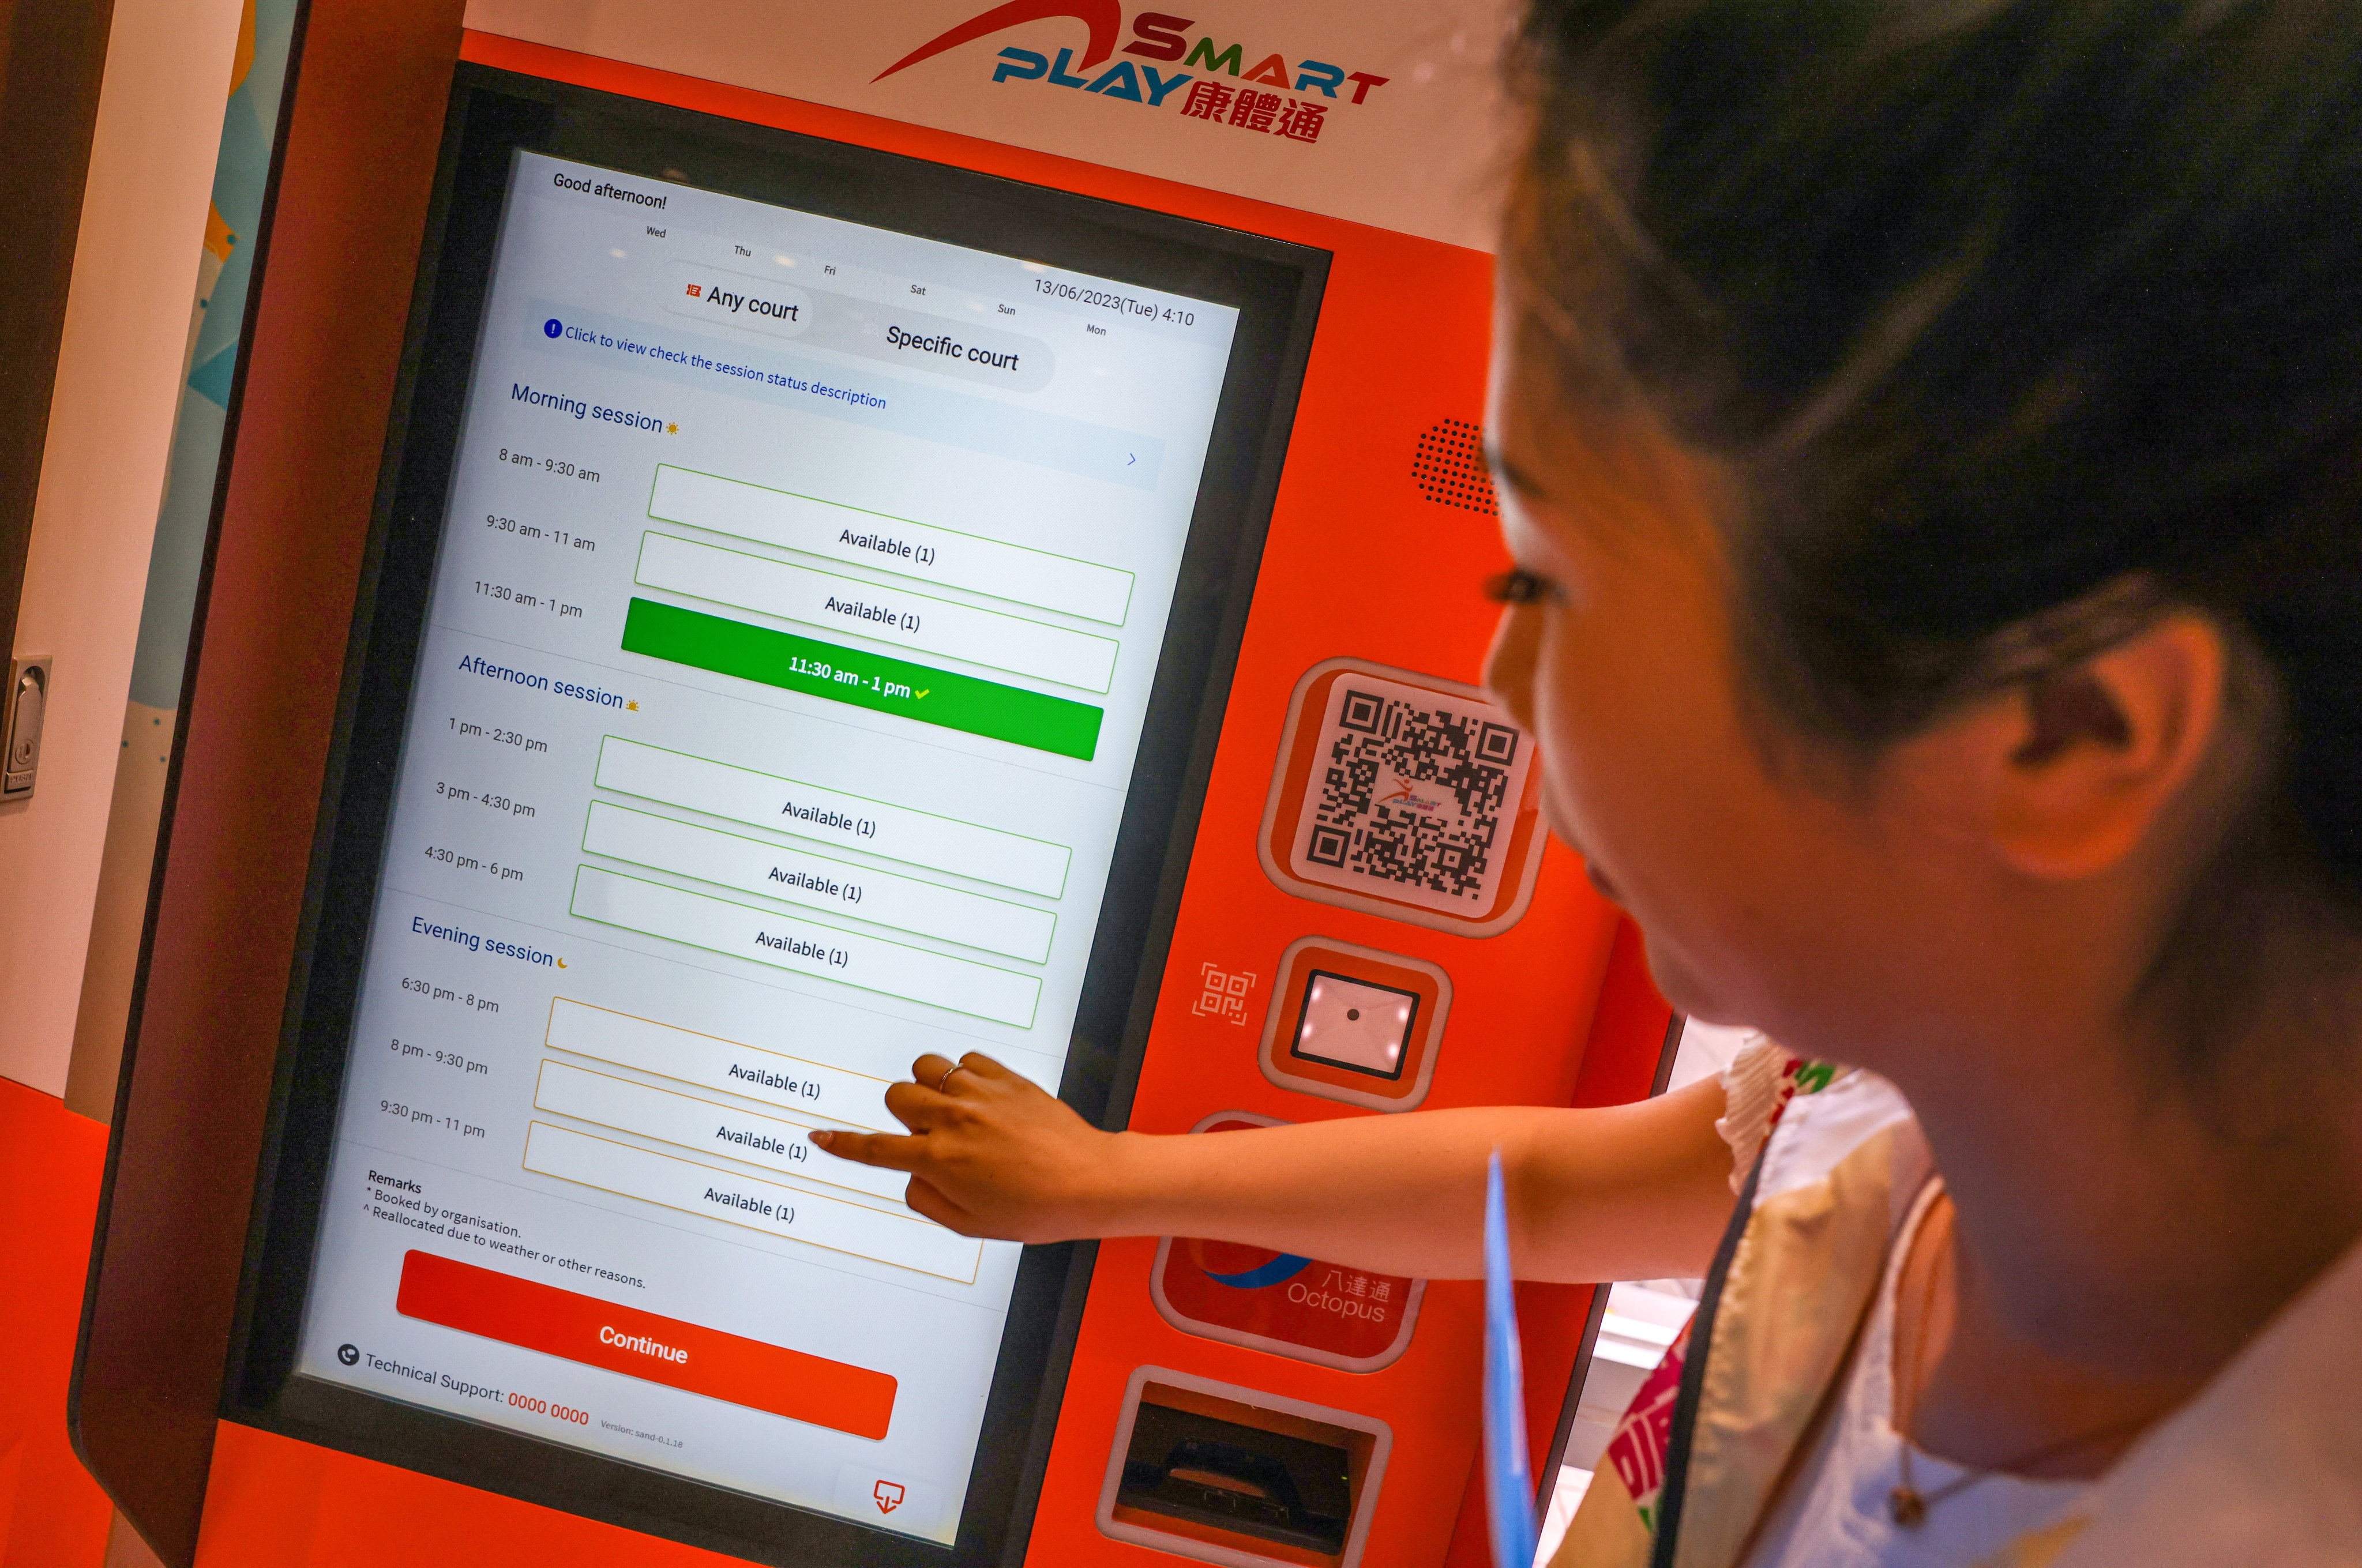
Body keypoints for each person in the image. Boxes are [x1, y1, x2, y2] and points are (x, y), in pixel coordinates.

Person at [813, 2, 2362, 1562]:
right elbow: (1539, 1192)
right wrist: (1109, 1184)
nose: (1495, 685)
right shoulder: (1900, 1138)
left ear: (2062, 732)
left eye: (1540, 575)